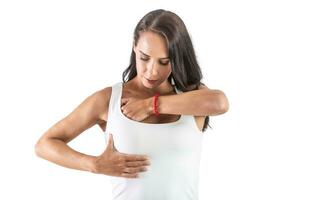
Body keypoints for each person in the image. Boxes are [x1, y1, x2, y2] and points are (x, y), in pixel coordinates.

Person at [35, 9, 229, 200]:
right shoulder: (109, 100)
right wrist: (95, 164)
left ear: (177, 58)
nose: (152, 72)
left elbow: (220, 103)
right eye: (144, 58)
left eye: (164, 62)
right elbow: (45, 144)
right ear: (134, 46)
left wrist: (151, 105)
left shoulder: (192, 98)